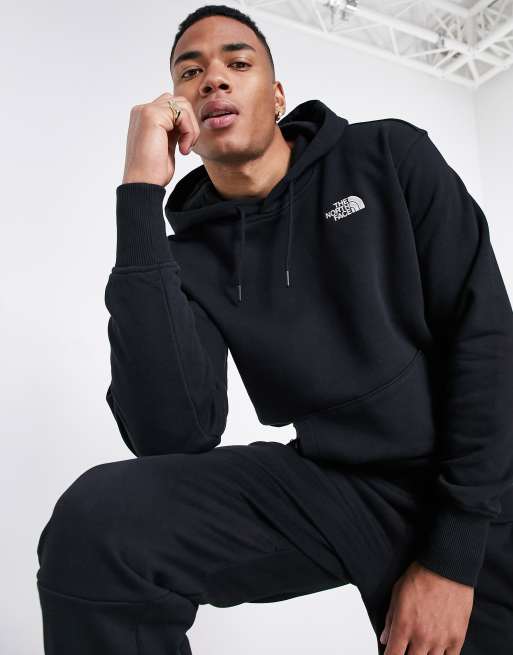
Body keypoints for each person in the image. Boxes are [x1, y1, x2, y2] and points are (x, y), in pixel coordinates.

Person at [35, 4, 513, 654]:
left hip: (473, 482)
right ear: (179, 116)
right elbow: (172, 434)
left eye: (238, 63)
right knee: (101, 524)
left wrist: (452, 555)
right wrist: (140, 194)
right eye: (190, 73)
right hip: (334, 486)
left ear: (278, 95)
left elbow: (485, 341)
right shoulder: (186, 257)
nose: (213, 79)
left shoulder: (388, 156)